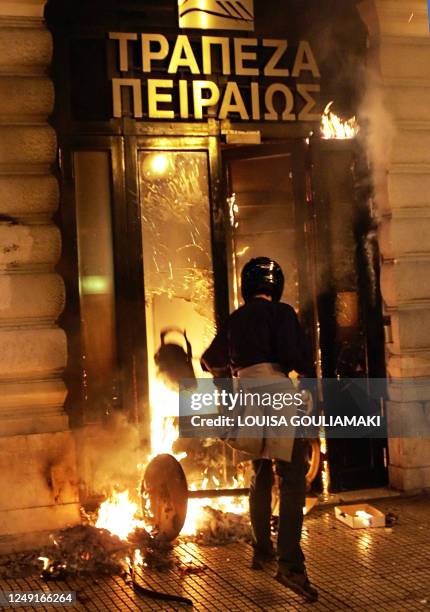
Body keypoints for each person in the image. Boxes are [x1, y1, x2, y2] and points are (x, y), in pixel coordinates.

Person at [201, 257, 318, 603]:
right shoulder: (282, 313)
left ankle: (262, 549)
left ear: (246, 286)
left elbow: (210, 360)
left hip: (247, 397)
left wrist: (225, 391)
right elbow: (293, 355)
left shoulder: (235, 319)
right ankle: (291, 566)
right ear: (276, 286)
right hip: (279, 396)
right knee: (293, 478)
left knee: (260, 471)